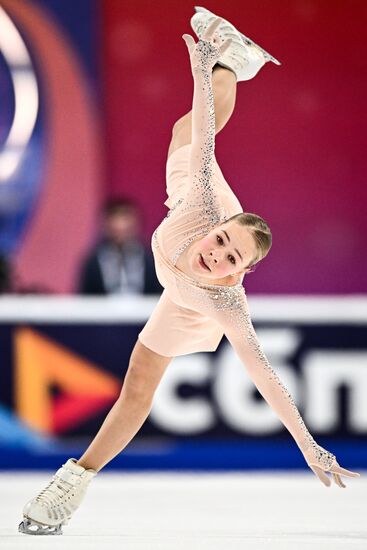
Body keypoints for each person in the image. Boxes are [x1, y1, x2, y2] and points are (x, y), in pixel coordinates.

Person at [18, 8, 359, 536]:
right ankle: (233, 62)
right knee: (189, 131)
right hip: (186, 211)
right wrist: (201, 69)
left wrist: (309, 446)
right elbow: (205, 134)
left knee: (138, 387)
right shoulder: (203, 202)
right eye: (223, 241)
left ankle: (70, 485)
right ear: (219, 226)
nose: (217, 255)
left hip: (188, 301)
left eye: (230, 260)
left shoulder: (223, 301)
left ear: (238, 274)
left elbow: (265, 376)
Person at [77, 196, 163, 295]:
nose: (121, 227)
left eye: (126, 222)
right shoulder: (92, 261)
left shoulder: (152, 259)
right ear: (106, 226)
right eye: (116, 226)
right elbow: (84, 298)